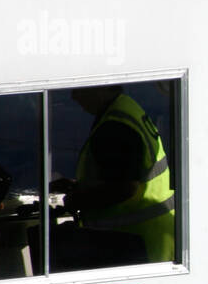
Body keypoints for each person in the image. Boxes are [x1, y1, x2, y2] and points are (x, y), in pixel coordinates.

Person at [57, 85, 176, 264]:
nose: (74, 96)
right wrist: (81, 186)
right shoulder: (127, 109)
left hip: (134, 245)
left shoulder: (115, 125)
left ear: (101, 87)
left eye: (79, 89)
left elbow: (125, 188)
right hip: (152, 239)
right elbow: (127, 174)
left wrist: (77, 200)